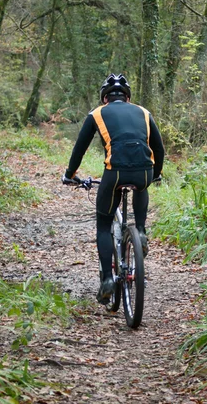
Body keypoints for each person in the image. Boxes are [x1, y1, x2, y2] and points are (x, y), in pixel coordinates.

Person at [62, 73, 165, 304]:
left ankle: (108, 279)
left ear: (105, 98)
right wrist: (156, 174)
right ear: (127, 97)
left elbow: (80, 148)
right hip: (143, 172)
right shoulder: (144, 112)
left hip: (115, 172)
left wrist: (70, 175)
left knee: (104, 224)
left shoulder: (97, 113)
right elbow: (159, 148)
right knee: (141, 186)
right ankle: (140, 230)